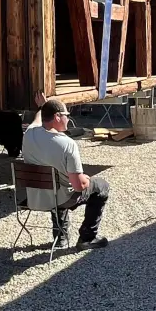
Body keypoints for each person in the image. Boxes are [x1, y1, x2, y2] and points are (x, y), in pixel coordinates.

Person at [21, 94, 110, 250]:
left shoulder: (29, 133)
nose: (69, 119)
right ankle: (87, 237)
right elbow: (78, 186)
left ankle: (60, 238)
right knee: (101, 186)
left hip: (35, 196)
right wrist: (86, 179)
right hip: (59, 197)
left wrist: (43, 106)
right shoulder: (67, 144)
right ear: (57, 117)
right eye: (66, 115)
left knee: (57, 183)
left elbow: (37, 119)